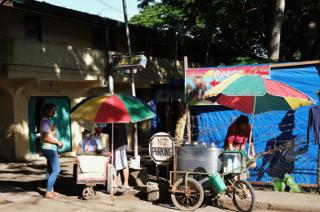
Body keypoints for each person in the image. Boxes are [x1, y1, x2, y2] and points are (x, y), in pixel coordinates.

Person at [40, 103, 64, 199]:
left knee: (50, 170)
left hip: (51, 148)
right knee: (56, 170)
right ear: (47, 111)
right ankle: (48, 192)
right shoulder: (45, 122)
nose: (54, 112)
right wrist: (58, 142)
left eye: (55, 110)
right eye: (52, 110)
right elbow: (45, 137)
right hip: (49, 148)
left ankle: (51, 190)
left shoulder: (49, 121)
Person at [104, 124, 131, 189]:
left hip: (120, 145)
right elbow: (108, 129)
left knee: (124, 164)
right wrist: (100, 130)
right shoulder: (111, 121)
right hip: (114, 145)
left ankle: (126, 183)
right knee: (114, 163)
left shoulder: (119, 120)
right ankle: (115, 181)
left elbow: (115, 131)